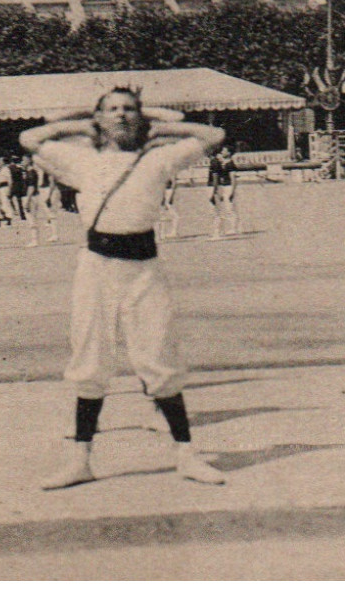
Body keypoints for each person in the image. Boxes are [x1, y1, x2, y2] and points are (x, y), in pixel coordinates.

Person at [21, 88, 227, 488]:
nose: (122, 116)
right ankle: (81, 459)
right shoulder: (81, 158)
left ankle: (186, 455)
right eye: (113, 110)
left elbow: (212, 137)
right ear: (99, 118)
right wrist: (85, 121)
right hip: (96, 267)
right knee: (91, 358)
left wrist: (153, 119)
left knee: (159, 357)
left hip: (144, 269)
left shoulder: (158, 157)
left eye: (128, 109)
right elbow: (30, 139)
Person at [208, 143, 240, 237]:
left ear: (229, 153)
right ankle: (228, 228)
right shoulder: (225, 163)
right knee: (225, 207)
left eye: (224, 151)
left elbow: (233, 179)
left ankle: (233, 228)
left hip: (228, 186)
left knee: (229, 208)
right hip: (224, 186)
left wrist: (232, 192)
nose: (222, 152)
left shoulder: (230, 164)